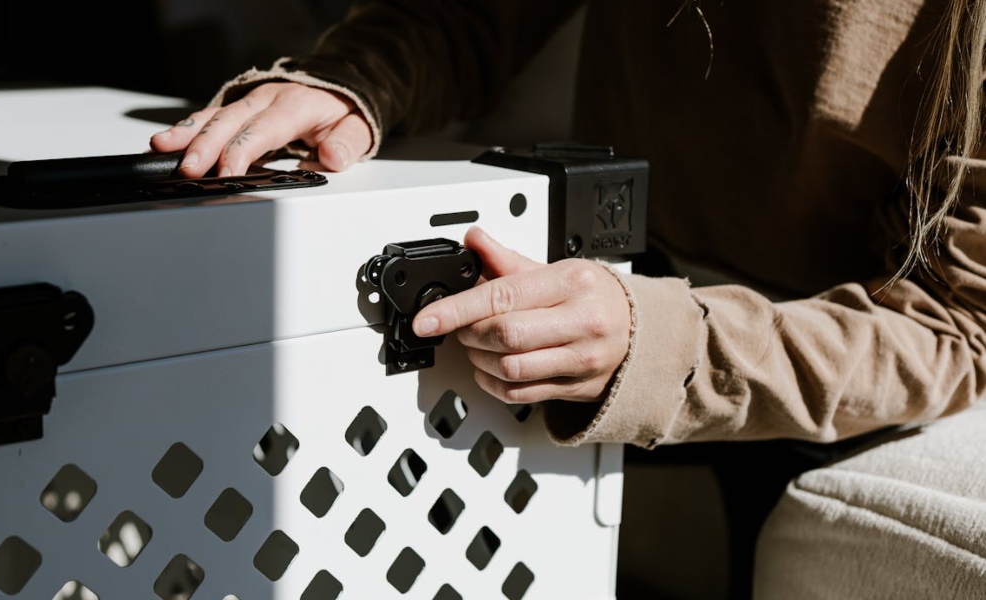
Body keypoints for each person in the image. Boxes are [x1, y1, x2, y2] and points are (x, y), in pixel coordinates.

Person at [150, 1, 986, 451]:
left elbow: (959, 327)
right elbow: (468, 18)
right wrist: (353, 82)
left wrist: (659, 345)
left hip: (801, 384)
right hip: (588, 280)